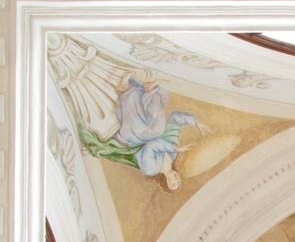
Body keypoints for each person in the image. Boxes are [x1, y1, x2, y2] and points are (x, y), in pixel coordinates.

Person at [78, 76, 208, 191]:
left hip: (134, 138)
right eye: (178, 181)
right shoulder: (172, 156)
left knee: (156, 128)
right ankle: (148, 92)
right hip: (149, 128)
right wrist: (196, 122)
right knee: (158, 119)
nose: (175, 180)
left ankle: (129, 91)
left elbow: (150, 146)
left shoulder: (150, 169)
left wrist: (173, 148)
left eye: (173, 184)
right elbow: (174, 119)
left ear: (165, 182)